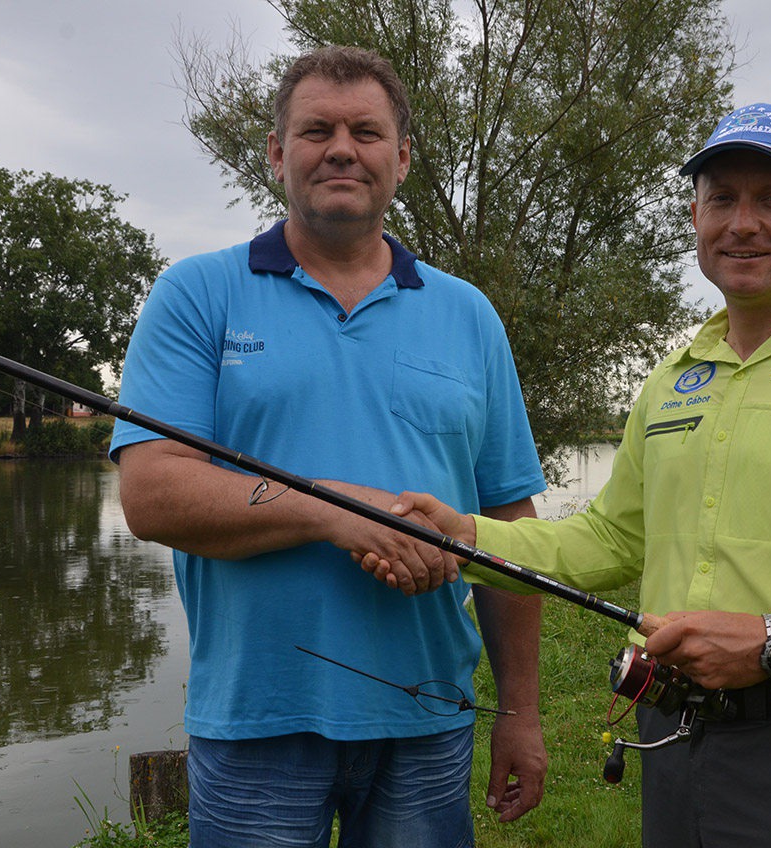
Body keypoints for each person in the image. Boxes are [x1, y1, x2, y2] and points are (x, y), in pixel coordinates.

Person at [366, 103, 771, 846]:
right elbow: (608, 539)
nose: (743, 223)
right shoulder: (675, 379)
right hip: (672, 734)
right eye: (722, 199)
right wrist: (467, 537)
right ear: (695, 218)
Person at [110, 46, 548, 848]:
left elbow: (509, 520)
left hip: (429, 720)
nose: (342, 147)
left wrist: (520, 711)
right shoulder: (196, 294)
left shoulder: (470, 315)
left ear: (403, 157)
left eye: (366, 131)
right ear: (277, 153)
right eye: (316, 129)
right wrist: (335, 511)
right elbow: (150, 494)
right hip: (255, 725)